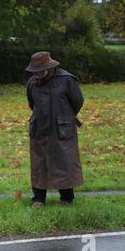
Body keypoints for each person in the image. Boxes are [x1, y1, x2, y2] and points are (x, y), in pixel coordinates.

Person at [26, 51, 84, 209]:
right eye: (34, 71)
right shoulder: (32, 82)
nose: (36, 74)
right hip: (39, 127)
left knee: (64, 161)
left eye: (39, 70)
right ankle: (38, 198)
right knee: (39, 162)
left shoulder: (66, 80)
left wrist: (64, 117)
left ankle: (67, 198)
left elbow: (77, 101)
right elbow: (31, 103)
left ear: (49, 67)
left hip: (62, 128)